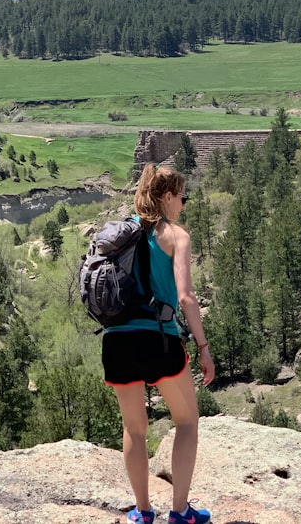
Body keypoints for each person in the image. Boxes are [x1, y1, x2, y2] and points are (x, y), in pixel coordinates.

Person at [102, 163, 216, 524]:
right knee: (186, 421)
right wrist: (203, 346)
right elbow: (186, 298)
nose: (184, 203)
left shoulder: (124, 232)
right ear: (167, 196)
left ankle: (143, 511)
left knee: (134, 428)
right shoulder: (176, 236)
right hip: (159, 340)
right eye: (182, 197)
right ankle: (180, 511)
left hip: (117, 339)